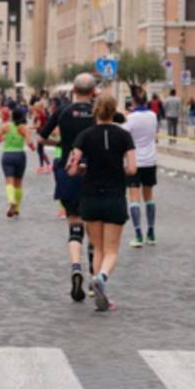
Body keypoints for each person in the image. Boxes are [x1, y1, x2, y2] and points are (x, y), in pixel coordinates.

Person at [67, 93, 136, 312]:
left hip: (90, 196)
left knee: (97, 247)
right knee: (112, 250)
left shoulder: (85, 136)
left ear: (95, 111)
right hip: (114, 195)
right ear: (114, 110)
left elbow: (72, 167)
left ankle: (98, 287)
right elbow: (133, 168)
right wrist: (118, 169)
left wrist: (82, 168)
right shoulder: (124, 136)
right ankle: (102, 279)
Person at [38, 72, 98, 302]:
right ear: (93, 91)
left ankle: (75, 268)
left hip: (68, 170)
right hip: (93, 171)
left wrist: (61, 142)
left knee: (74, 221)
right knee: (93, 224)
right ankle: (94, 277)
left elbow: (41, 138)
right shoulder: (97, 111)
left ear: (73, 89)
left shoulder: (62, 111)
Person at [124, 88, 159, 249]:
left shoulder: (130, 118)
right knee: (149, 197)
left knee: (134, 197)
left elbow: (124, 135)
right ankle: (151, 232)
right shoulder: (153, 116)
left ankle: (138, 234)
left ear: (134, 101)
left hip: (134, 161)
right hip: (150, 160)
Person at [0, 107, 35, 218]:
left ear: (12, 117)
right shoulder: (24, 128)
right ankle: (16, 208)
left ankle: (11, 199)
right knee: (18, 182)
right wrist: (33, 147)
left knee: (9, 181)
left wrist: (5, 138)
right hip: (19, 155)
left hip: (7, 155)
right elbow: (30, 143)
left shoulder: (5, 127)